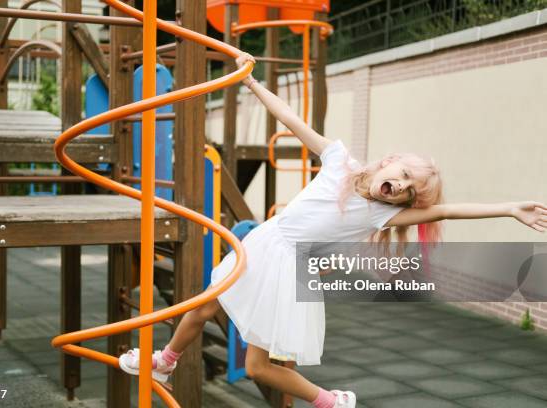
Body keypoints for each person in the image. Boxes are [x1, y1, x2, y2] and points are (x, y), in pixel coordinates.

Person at [119, 53, 547, 408]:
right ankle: (167, 360)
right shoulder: (339, 160)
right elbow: (290, 118)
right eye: (402, 176)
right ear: (389, 161)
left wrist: (508, 208)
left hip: (288, 269)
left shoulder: (380, 215)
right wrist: (251, 83)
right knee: (204, 304)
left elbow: (447, 212)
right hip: (264, 243)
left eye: (408, 192)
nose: (399, 187)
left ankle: (329, 401)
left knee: (257, 367)